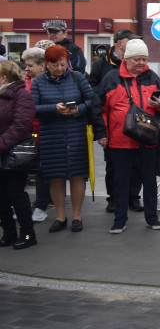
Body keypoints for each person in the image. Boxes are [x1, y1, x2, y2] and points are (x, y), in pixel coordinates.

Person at [96, 39, 160, 234]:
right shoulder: (111, 79)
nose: (141, 63)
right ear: (127, 59)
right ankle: (119, 219)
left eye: (144, 59)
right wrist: (101, 134)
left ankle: (152, 217)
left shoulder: (152, 77)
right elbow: (99, 109)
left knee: (149, 181)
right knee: (121, 181)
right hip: (120, 141)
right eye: (137, 59)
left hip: (148, 140)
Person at [31, 45, 96, 233]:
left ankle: (77, 216)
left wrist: (80, 109)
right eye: (55, 65)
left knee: (77, 175)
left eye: (62, 64)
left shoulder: (77, 78)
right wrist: (53, 108)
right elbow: (32, 108)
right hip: (51, 135)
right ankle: (60, 216)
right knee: (56, 177)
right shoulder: (38, 83)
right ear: (46, 64)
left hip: (76, 133)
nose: (59, 69)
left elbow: (91, 100)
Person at [88, 29, 144, 215]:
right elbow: (93, 87)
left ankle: (133, 197)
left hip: (135, 123)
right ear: (120, 43)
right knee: (113, 165)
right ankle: (114, 199)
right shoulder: (102, 64)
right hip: (112, 123)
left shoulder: (139, 65)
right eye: (131, 41)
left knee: (136, 163)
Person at [0, 60, 38, 249]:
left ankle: (28, 233)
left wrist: (2, 144)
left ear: (3, 77)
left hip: (14, 153)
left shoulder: (21, 95)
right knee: (1, 196)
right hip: (3, 150)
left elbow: (21, 125)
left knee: (16, 193)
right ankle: (8, 233)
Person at [21, 47, 50, 224]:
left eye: (30, 66)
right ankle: (23, 206)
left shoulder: (47, 83)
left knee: (42, 171)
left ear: (42, 66)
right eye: (26, 66)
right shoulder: (24, 83)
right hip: (26, 133)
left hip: (43, 133)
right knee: (22, 170)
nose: (27, 69)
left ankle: (41, 206)